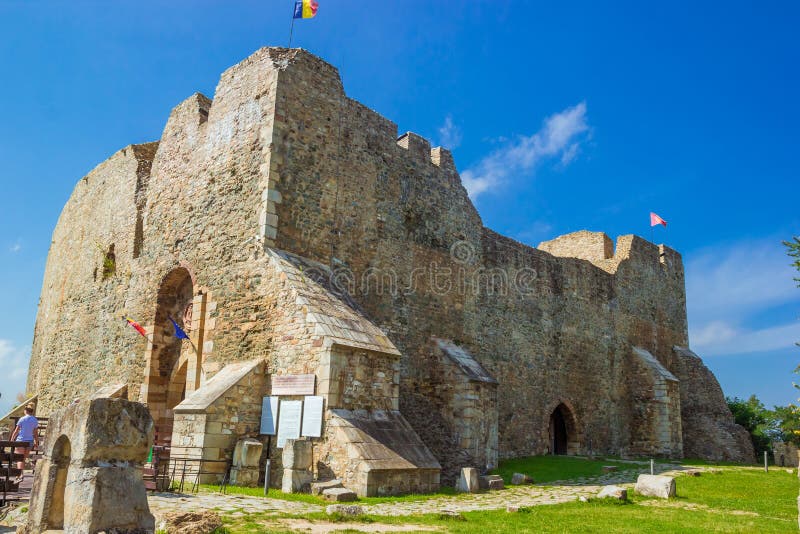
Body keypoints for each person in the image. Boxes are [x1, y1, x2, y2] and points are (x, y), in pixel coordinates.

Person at [9, 403, 39, 475]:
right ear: (32, 411)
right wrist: (36, 442)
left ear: (25, 411)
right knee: (23, 459)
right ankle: (20, 474)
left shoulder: (22, 419)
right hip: (29, 442)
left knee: (19, 459)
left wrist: (12, 440)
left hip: (20, 441)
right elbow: (35, 433)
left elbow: (16, 431)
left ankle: (20, 475)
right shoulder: (35, 420)